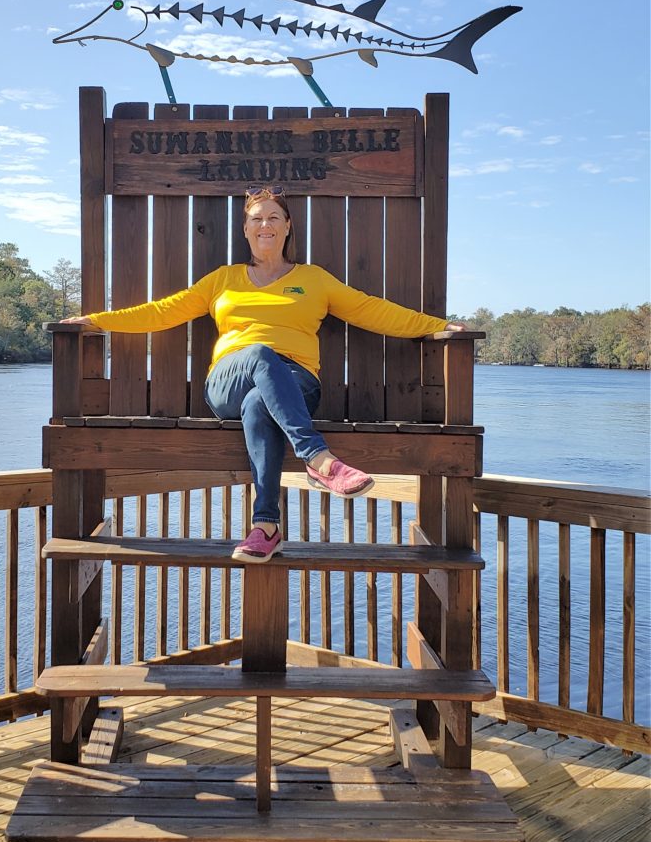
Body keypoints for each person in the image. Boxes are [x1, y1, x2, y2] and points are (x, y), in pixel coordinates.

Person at [63, 185, 465, 564]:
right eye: (256, 219)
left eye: (274, 217)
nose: (265, 225)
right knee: (259, 355)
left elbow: (373, 309)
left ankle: (265, 527)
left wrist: (437, 325)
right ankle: (319, 459)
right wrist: (98, 320)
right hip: (228, 381)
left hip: (296, 384)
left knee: (261, 402)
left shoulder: (313, 280)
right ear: (245, 229)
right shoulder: (223, 280)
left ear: (288, 226)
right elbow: (164, 310)